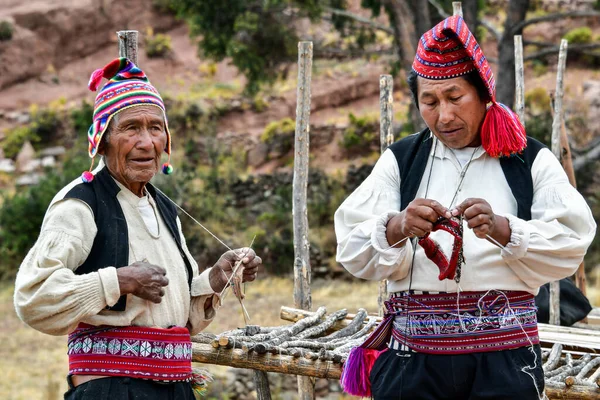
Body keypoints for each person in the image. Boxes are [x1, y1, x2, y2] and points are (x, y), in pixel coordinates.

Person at [335, 16, 596, 400]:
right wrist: (397, 226)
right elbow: (351, 248)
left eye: (455, 98)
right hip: (413, 366)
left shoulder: (529, 161)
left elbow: (572, 243)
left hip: (505, 365)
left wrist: (504, 229)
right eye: (430, 101)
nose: (443, 115)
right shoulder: (402, 161)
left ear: (483, 93)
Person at [13, 58, 262, 399]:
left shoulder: (163, 208)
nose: (146, 142)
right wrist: (119, 280)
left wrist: (216, 279)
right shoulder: (80, 205)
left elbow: (171, 316)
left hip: (175, 390)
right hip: (114, 390)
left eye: (155, 128)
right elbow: (32, 297)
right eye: (131, 128)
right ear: (102, 139)